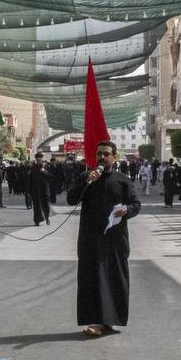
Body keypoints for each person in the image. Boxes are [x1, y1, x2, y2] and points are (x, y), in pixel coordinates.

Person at [67, 140, 142, 337]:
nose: (102, 157)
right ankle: (96, 321)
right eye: (99, 153)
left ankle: (109, 322)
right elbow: (71, 199)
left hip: (115, 239)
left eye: (106, 154)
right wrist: (86, 182)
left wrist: (127, 210)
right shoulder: (86, 177)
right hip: (90, 237)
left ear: (114, 157)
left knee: (114, 278)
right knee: (92, 278)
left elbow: (136, 204)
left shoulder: (123, 181)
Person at [30, 152, 53, 226]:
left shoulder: (46, 166)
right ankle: (37, 221)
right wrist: (29, 190)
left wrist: (44, 171)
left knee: (46, 205)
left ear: (42, 159)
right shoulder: (33, 168)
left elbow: (51, 177)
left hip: (44, 190)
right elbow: (30, 179)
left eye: (40, 159)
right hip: (35, 190)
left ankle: (47, 217)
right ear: (36, 159)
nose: (39, 161)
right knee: (36, 206)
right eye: (37, 159)